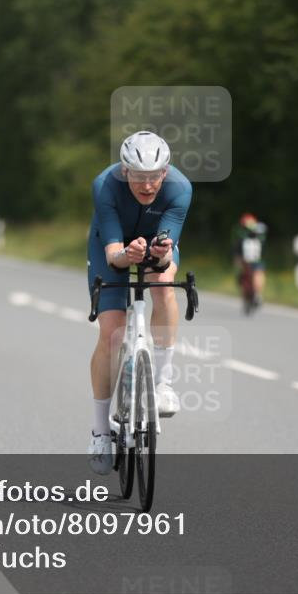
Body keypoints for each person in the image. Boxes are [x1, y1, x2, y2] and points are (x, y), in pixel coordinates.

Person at [86, 131, 192, 474]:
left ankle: (162, 382)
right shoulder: (105, 185)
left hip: (153, 243)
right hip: (111, 246)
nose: (148, 186)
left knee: (163, 283)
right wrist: (126, 255)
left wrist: (159, 256)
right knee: (112, 330)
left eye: (155, 177)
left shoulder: (180, 188)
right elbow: (115, 255)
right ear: (125, 171)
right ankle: (100, 430)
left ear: (166, 171)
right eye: (139, 177)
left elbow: (165, 254)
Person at [233, 213, 267, 309]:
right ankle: (256, 295)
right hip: (247, 261)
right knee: (254, 273)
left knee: (257, 272)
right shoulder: (257, 233)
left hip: (252, 260)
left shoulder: (241, 235)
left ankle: (257, 295)